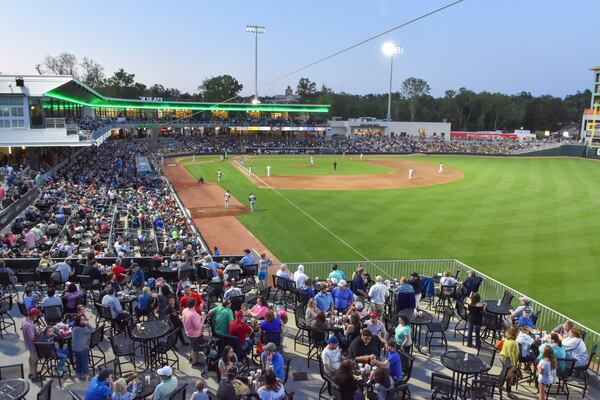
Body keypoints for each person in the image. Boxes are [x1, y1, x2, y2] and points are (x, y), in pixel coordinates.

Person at [72, 314, 96, 380]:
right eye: (81, 320)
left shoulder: (75, 328)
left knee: (78, 361)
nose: (83, 321)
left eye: (84, 319)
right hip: (82, 348)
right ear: (78, 321)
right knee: (84, 361)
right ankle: (86, 375)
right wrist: (87, 323)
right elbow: (93, 330)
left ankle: (78, 373)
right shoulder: (83, 329)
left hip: (75, 348)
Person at [182, 298, 205, 366]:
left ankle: (192, 357)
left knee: (192, 346)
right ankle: (194, 362)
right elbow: (198, 326)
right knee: (195, 349)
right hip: (195, 334)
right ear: (195, 305)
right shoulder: (193, 315)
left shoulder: (185, 310)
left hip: (188, 332)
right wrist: (203, 319)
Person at [499, 327, 519, 398]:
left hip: (502, 357)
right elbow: (513, 355)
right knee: (510, 377)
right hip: (508, 361)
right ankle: (508, 392)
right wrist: (514, 364)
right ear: (516, 334)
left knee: (504, 373)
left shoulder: (506, 339)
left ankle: (500, 385)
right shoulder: (514, 343)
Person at [22, 308, 42, 380]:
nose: (37, 317)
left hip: (28, 344)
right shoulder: (29, 325)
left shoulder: (26, 321)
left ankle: (32, 372)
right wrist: (39, 333)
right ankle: (34, 376)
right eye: (36, 315)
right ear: (33, 315)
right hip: (32, 345)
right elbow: (32, 338)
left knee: (31, 358)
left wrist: (38, 330)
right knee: (35, 360)